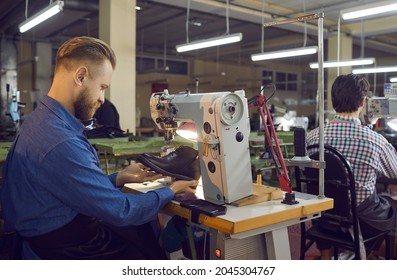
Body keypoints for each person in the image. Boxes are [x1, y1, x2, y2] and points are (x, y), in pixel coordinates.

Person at [0, 36, 197, 260]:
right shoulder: (62, 141)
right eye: (102, 87)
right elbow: (121, 211)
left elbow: (67, 187)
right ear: (81, 76)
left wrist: (118, 178)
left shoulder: (40, 120)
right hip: (63, 250)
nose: (103, 99)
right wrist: (170, 190)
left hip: (41, 237)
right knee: (146, 252)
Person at [306, 74, 397, 259]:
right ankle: (364, 254)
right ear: (363, 101)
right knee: (392, 205)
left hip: (323, 216)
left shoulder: (313, 137)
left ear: (333, 101)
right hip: (361, 221)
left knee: (328, 197)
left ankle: (331, 256)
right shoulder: (375, 141)